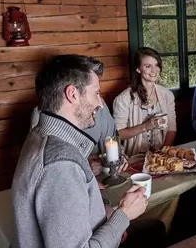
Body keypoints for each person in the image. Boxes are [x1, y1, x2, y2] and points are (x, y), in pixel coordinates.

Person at [12, 54, 152, 247]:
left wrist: (108, 212)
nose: (100, 103)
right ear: (73, 94)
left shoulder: (41, 135)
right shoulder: (60, 164)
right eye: (96, 93)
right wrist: (123, 215)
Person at [113, 47, 177, 157]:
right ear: (138, 69)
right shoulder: (123, 99)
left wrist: (163, 152)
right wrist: (145, 126)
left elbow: (172, 128)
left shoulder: (167, 95)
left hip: (162, 155)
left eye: (156, 65)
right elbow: (118, 134)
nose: (154, 70)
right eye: (148, 66)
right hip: (135, 157)